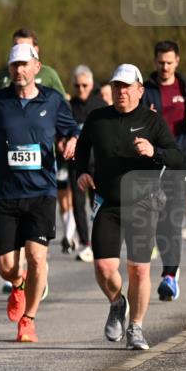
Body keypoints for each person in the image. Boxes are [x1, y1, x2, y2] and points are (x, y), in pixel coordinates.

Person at [0, 43, 80, 342]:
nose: (19, 70)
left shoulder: (53, 100)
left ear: (36, 67)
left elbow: (73, 129)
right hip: (5, 193)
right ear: (9, 70)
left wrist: (72, 140)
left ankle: (29, 319)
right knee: (7, 267)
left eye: (24, 65)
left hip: (41, 192)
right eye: (13, 66)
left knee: (36, 257)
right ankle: (18, 285)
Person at [75, 64, 183, 349]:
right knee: (103, 266)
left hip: (143, 204)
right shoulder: (97, 119)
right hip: (108, 203)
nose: (120, 91)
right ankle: (116, 303)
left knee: (139, 270)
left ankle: (136, 327)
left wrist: (154, 151)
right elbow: (81, 150)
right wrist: (81, 173)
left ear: (139, 89)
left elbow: (176, 157)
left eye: (126, 86)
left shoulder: (152, 121)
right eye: (116, 86)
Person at [143, 40, 186, 301]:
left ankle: (170, 276)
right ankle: (170, 269)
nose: (164, 67)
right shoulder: (145, 90)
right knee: (159, 222)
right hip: (153, 160)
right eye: (160, 62)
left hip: (181, 158)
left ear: (177, 62)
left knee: (172, 216)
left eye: (169, 63)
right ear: (154, 62)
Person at [66, 65, 106, 262]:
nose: (81, 89)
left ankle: (100, 241)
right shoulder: (69, 106)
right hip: (77, 164)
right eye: (77, 85)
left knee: (96, 203)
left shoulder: (100, 105)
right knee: (78, 204)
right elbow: (62, 131)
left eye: (84, 85)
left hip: (98, 163)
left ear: (91, 85)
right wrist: (61, 141)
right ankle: (85, 243)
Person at [0, 27, 66, 95]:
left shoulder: (49, 75)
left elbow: (62, 104)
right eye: (16, 46)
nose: (20, 50)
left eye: (25, 47)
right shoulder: (1, 75)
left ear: (36, 49)